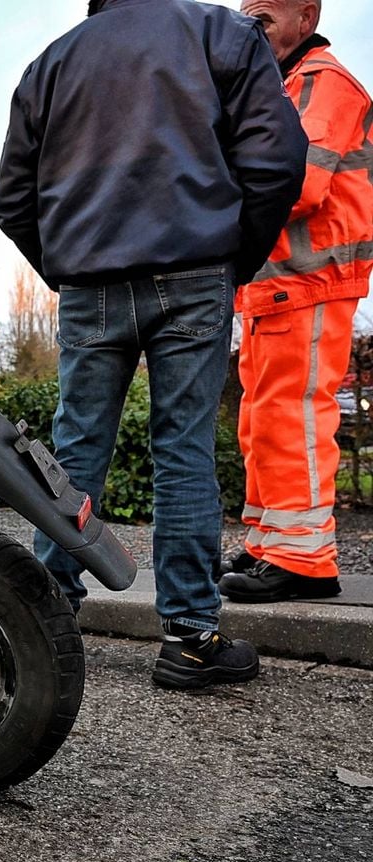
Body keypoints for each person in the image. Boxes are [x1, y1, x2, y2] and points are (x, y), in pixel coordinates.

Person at [0, 0, 307, 689]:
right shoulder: (220, 33)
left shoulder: (52, 63)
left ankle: (45, 621)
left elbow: (12, 198)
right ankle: (191, 638)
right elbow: (278, 158)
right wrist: (232, 257)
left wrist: (69, 264)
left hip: (91, 279)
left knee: (74, 454)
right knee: (183, 451)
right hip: (195, 270)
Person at [220, 0, 373, 604]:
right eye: (245, 18)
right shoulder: (286, 83)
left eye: (264, 19)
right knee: (263, 417)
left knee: (294, 415)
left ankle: (302, 559)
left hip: (308, 281)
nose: (251, 32)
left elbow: (296, 183)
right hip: (278, 283)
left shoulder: (322, 83)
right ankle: (270, 544)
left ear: (306, 18)